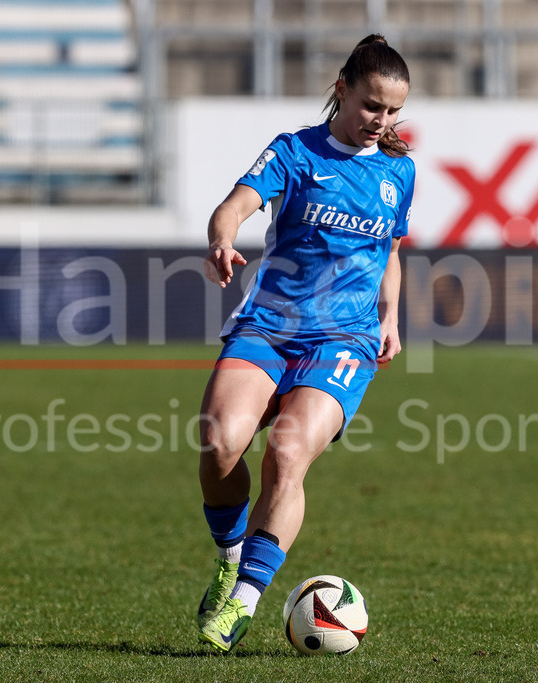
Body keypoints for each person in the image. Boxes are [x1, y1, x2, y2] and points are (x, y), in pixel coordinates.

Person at [194, 34, 415, 653]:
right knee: (218, 446)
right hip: (268, 326)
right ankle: (231, 557)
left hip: (343, 339)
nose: (383, 122)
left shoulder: (400, 168)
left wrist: (391, 316)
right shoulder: (296, 152)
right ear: (341, 90)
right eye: (373, 106)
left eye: (394, 111)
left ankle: (243, 600)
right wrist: (221, 238)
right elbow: (234, 205)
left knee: (286, 457)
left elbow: (389, 249)